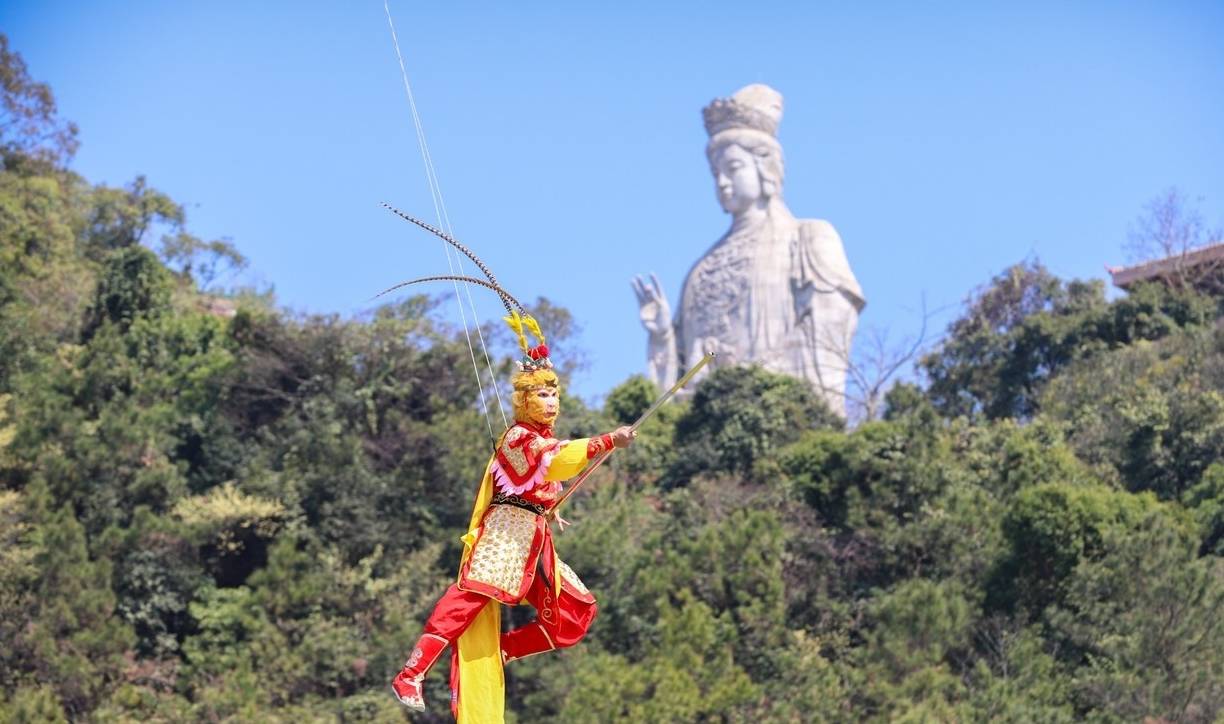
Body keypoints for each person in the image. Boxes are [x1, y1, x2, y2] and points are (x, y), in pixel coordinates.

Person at [391, 333, 635, 721]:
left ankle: (503, 649)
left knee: (575, 611)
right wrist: (605, 440)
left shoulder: (542, 440)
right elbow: (553, 460)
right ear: (524, 400)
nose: (550, 403)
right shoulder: (519, 437)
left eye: (554, 396)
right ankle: (412, 672)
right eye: (541, 395)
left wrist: (550, 508)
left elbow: (543, 479)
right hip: (504, 537)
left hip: (536, 544)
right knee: (468, 598)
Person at [633, 84, 866, 417]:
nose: (722, 182)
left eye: (733, 168)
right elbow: (681, 372)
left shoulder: (808, 238)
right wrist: (662, 337)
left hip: (781, 411)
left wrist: (748, 375)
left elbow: (829, 335)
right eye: (716, 174)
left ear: (766, 167)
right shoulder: (701, 269)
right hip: (703, 424)